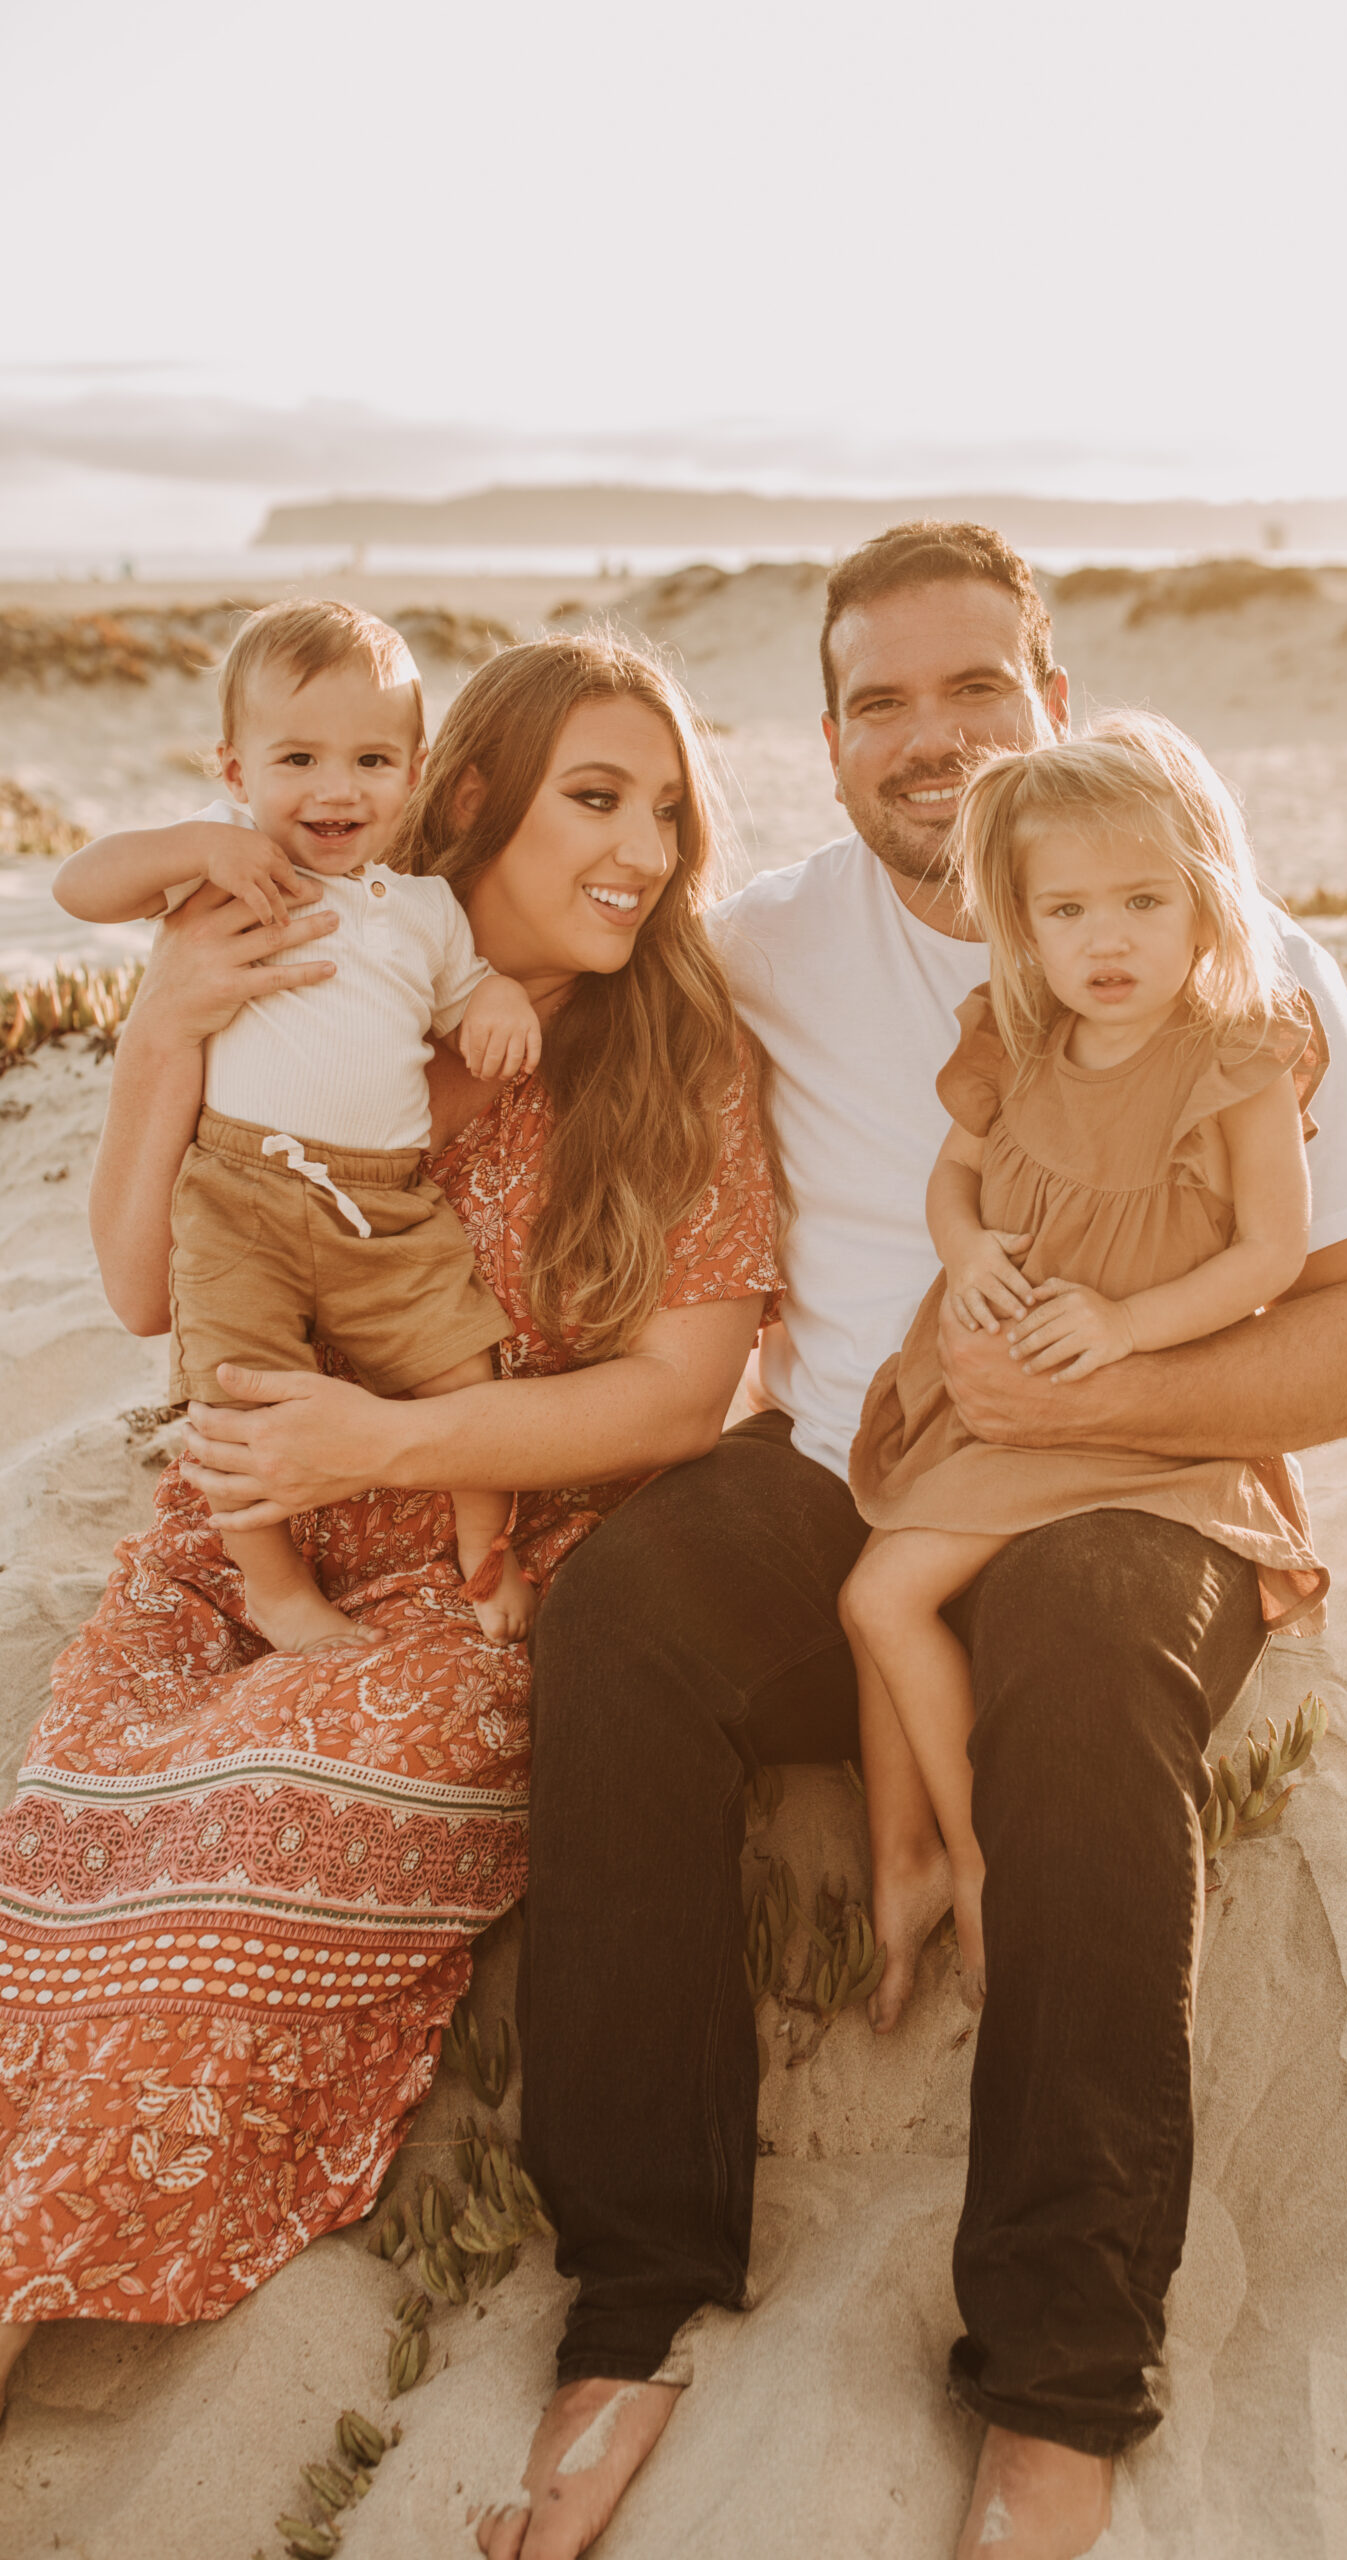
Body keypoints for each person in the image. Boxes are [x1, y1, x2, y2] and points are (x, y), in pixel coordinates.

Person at [183, 525, 1347, 2560]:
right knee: (633, 1614)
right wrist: (226, 944)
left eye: (972, 690)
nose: (927, 740)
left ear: (1055, 691)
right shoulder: (762, 937)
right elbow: (509, 929)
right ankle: (634, 2290)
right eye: (877, 701)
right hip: (858, 1460)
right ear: (827, 734)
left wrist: (1086, 1403)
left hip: (1133, 1483)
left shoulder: (1234, 959)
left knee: (1089, 1671)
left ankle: (1058, 2365)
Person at [0, 635, 780, 2418]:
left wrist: (387, 1438)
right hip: (247, 1530)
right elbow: (142, 1287)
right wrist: (167, 1028)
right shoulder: (295, 969)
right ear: (480, 802)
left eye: (667, 812)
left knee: (250, 1844)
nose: (644, 851)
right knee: (76, 1864)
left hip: (492, 1576)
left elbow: (677, 1402)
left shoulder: (675, 1059)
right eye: (597, 798)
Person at [841, 713, 1328, 2001]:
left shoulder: (1235, 1056)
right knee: (879, 1580)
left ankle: (979, 1862)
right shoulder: (1014, 1036)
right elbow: (950, 1186)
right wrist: (963, 1253)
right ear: (1021, 919)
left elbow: (1271, 1255)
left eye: (1141, 901)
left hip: (1135, 1419)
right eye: (1066, 910)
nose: (1104, 940)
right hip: (999, 1393)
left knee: (880, 1597)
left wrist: (1124, 1327)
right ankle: (907, 1860)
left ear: (1205, 903)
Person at [53, 600, 546, 1652]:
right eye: (298, 758)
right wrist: (190, 842)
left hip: (385, 1197)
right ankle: (276, 1586)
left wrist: (497, 1001)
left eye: (371, 758)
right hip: (240, 1189)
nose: (335, 788)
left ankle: (483, 1540)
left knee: (462, 1360)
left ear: (412, 771)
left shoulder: (422, 909)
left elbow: (465, 997)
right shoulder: (229, 868)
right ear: (235, 771)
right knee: (233, 1396)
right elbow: (79, 885)